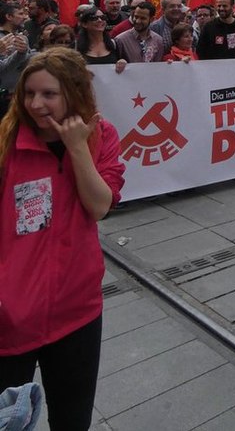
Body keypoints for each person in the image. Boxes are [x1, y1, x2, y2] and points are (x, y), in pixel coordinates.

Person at [0, 47, 125, 431]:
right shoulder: (7, 143)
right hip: (11, 318)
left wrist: (76, 150)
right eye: (29, 93)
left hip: (77, 311)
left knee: (72, 419)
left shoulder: (101, 135)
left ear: (73, 93)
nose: (36, 104)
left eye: (48, 94)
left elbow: (99, 207)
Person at [196, 0, 235, 64]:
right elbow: (200, 51)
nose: (221, 8)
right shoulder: (208, 27)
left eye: (224, 6)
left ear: (232, 7)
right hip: (213, 70)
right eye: (219, 6)